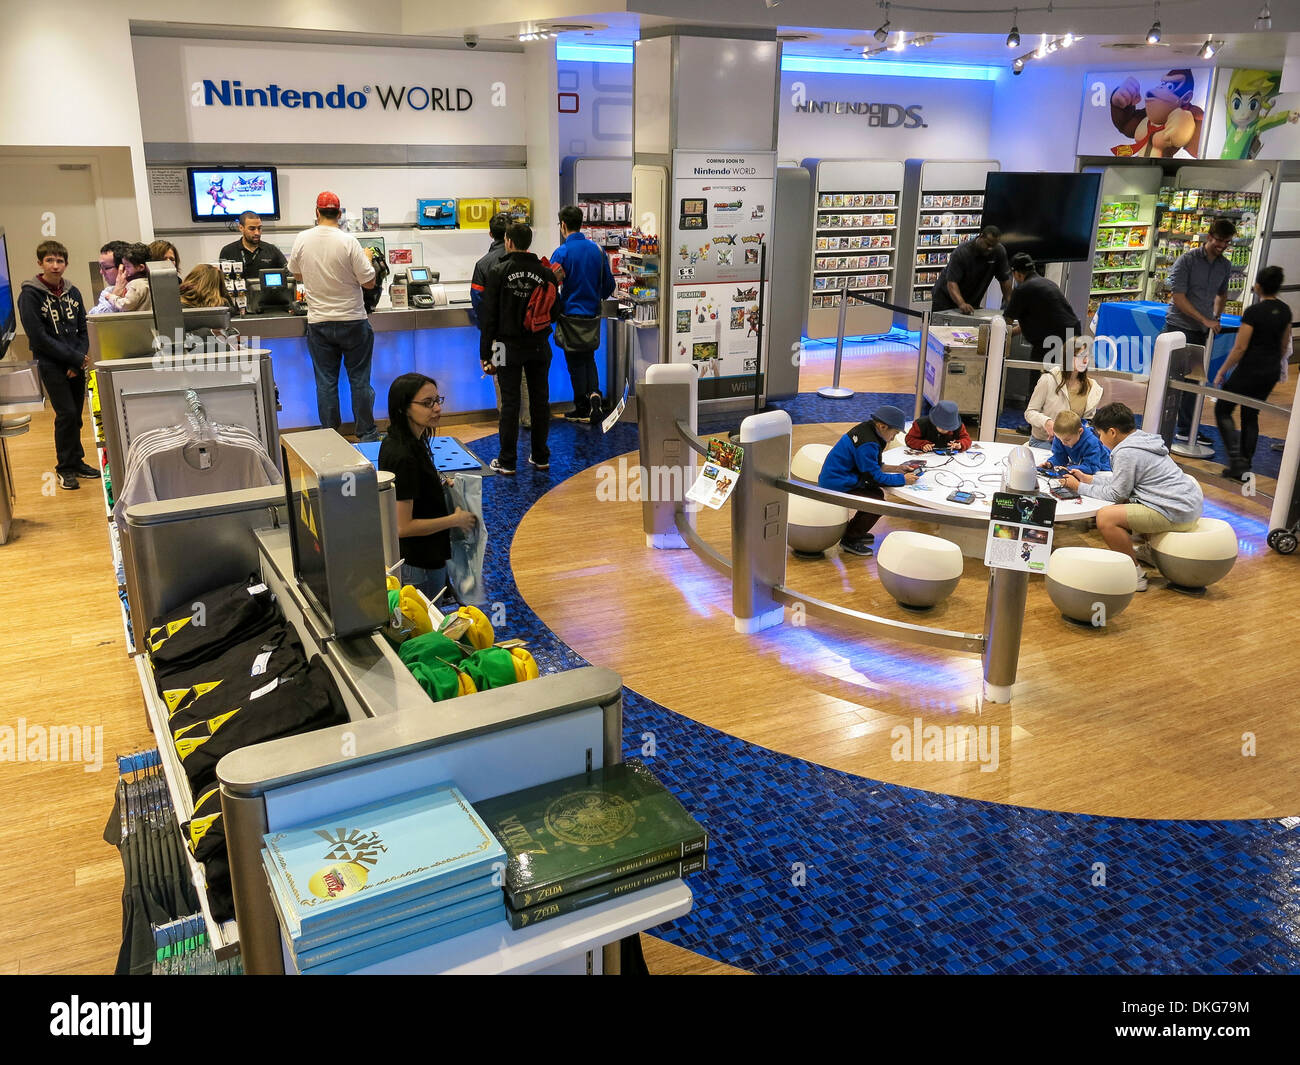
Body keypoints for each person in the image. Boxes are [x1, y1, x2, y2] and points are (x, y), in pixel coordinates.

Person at [1063, 403, 1203, 591]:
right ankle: (1149, 552)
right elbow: (1123, 484)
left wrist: (1078, 487)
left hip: (1175, 511)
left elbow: (1116, 493)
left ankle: (1135, 575)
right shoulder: (1142, 440)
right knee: (1128, 502)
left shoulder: (1127, 452)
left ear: (1112, 432)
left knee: (1105, 517)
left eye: (1100, 434)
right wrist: (1089, 480)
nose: (1100, 439)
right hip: (1185, 506)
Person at [288, 190, 379, 441]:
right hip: (352, 321)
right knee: (359, 380)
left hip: (319, 323)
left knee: (326, 383)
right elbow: (369, 283)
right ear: (339, 214)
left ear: (316, 212)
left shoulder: (302, 239)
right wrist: (368, 260)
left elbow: (296, 274)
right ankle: (367, 433)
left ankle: (330, 435)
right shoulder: (349, 242)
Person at [378, 373, 477, 599]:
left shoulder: (405, 440)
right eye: (426, 403)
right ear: (403, 407)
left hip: (421, 558)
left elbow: (411, 486)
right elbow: (403, 526)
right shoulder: (404, 456)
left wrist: (439, 483)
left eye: (437, 400)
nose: (437, 408)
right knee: (429, 626)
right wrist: (455, 520)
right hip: (418, 564)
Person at [478, 222, 559, 475]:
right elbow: (555, 311)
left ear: (508, 241)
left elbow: (488, 317)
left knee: (509, 403)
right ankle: (540, 455)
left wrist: (485, 353)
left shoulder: (498, 271)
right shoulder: (546, 273)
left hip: (504, 346)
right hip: (538, 344)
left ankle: (507, 461)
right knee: (539, 401)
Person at [17, 240, 98, 491]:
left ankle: (77, 461)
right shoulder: (29, 295)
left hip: (75, 361)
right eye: (50, 261)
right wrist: (72, 359)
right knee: (66, 415)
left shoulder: (73, 292)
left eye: (60, 261)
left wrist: (78, 358)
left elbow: (83, 329)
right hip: (51, 363)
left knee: (77, 416)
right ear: (40, 263)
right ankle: (64, 468)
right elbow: (38, 337)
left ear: (66, 264)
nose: (55, 266)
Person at [1212, 266, 1293, 480]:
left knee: (1223, 409)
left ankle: (1236, 460)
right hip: (1270, 371)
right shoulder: (1285, 311)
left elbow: (1240, 348)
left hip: (1249, 369)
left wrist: (1222, 370)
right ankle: (1246, 463)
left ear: (1257, 286)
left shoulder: (1253, 312)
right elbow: (1284, 346)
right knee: (1251, 414)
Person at [1163, 217, 1236, 444]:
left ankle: (1186, 428)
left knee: (1195, 382)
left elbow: (1222, 294)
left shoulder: (1224, 265)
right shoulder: (1188, 260)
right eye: (1219, 241)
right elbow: (1178, 297)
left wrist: (1216, 317)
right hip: (1178, 329)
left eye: (1227, 242)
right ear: (1209, 237)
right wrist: (1205, 319)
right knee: (1170, 380)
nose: (1223, 246)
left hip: (1201, 331)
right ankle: (1159, 427)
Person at [818, 405, 920, 557]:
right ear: (883, 426)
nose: (893, 438)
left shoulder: (868, 429)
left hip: (840, 478)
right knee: (877, 505)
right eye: (894, 433)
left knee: (876, 495)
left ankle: (855, 530)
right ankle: (850, 539)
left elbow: (869, 466)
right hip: (838, 483)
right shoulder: (868, 443)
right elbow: (873, 477)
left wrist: (896, 468)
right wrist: (902, 479)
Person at [551, 205, 615, 426]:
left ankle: (582, 407)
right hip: (592, 316)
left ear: (563, 225)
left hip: (571, 316)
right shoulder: (598, 250)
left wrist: (559, 304)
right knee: (589, 359)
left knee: (576, 363)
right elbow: (609, 285)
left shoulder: (562, 253)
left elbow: (550, 286)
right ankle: (594, 395)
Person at [471, 212, 528, 430]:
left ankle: (507, 419)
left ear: (490, 234)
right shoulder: (527, 261)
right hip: (526, 334)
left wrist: (487, 326)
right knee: (524, 376)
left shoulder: (484, 264)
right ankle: (529, 417)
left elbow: (477, 300)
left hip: (499, 337)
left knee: (502, 377)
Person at [1024, 338, 1103, 449]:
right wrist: (1046, 422)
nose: (1085, 361)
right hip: (1044, 441)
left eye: (1087, 357)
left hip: (1073, 446)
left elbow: (1087, 423)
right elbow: (1030, 412)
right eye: (1080, 356)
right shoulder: (1048, 380)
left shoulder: (1092, 387)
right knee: (1055, 461)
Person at [1004, 253, 1082, 362]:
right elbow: (1043, 319)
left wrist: (996, 335)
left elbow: (1006, 322)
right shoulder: (1048, 283)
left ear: (1017, 274)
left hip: (1052, 340)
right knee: (1065, 375)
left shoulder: (1022, 289)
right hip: (1073, 335)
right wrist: (1013, 333)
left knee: (1041, 376)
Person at [929, 224, 1013, 314]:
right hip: (945, 299)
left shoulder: (999, 251)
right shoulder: (962, 252)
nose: (990, 248)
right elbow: (952, 283)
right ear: (981, 236)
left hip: (972, 298)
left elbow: (1004, 280)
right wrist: (961, 303)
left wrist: (1011, 304)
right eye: (988, 244)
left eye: (993, 246)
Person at [218, 211, 287, 280]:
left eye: (259, 228)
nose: (257, 232)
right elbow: (222, 280)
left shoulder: (272, 250)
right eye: (252, 229)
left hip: (266, 291)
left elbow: (288, 274)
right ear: (241, 228)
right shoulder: (228, 251)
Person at [1040, 409, 1110, 475]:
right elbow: (1060, 457)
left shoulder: (1091, 442)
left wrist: (1069, 469)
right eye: (1059, 439)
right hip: (1079, 465)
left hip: (1103, 468)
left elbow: (1092, 466)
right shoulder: (1062, 436)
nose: (1063, 443)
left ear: (1080, 431)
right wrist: (1050, 464)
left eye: (1067, 440)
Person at [102, 243, 152, 312]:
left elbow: (126, 304)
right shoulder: (151, 282)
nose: (125, 270)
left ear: (141, 267)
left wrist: (112, 298)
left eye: (128, 266)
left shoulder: (136, 284)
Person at [905, 399, 971, 452]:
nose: (944, 430)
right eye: (940, 426)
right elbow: (909, 439)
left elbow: (967, 439)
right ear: (934, 421)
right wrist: (922, 444)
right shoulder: (921, 424)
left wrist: (960, 444)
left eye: (948, 428)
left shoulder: (958, 426)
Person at [90, 240, 129, 315]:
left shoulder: (137, 288)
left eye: (106, 268)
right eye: (100, 267)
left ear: (123, 268)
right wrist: (116, 293)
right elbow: (95, 316)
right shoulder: (109, 291)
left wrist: (113, 297)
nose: (101, 272)